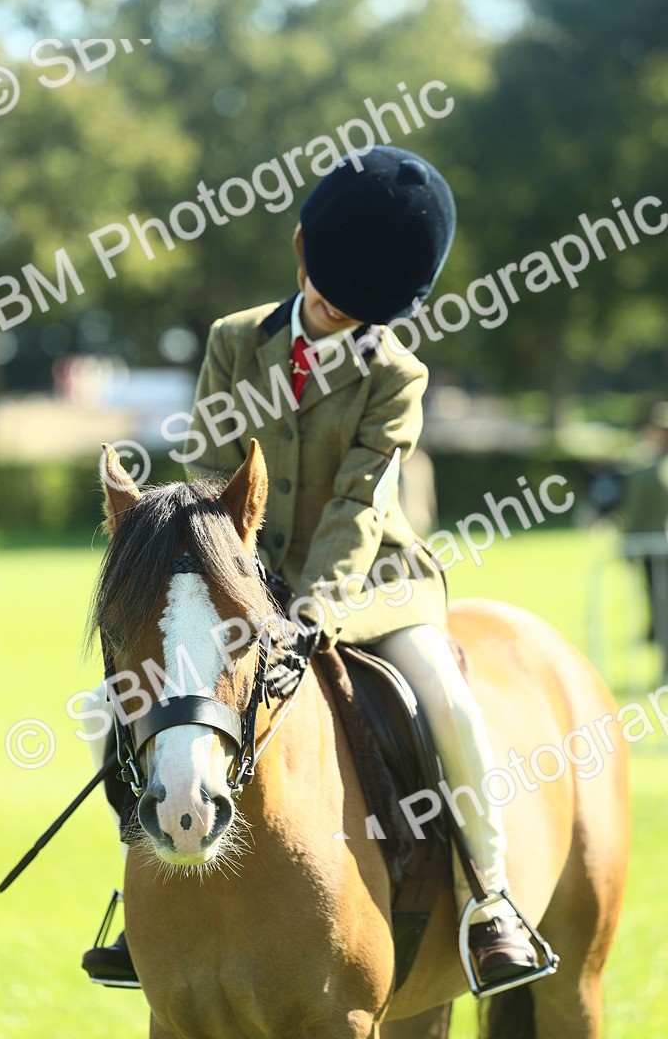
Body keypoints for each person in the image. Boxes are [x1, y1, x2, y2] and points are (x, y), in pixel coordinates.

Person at [83, 145, 542, 990]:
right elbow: (211, 479)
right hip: (241, 575)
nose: (336, 313)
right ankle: (139, 893)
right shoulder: (233, 342)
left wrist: (315, 608)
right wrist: (223, 583)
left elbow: (359, 505)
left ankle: (492, 899)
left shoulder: (397, 374)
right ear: (302, 251)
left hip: (373, 583)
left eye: (358, 309)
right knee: (115, 702)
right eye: (329, 293)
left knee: (446, 700)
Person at [618, 403, 668, 652]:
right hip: (649, 542)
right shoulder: (647, 459)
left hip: (661, 543)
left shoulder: (659, 464)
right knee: (657, 599)